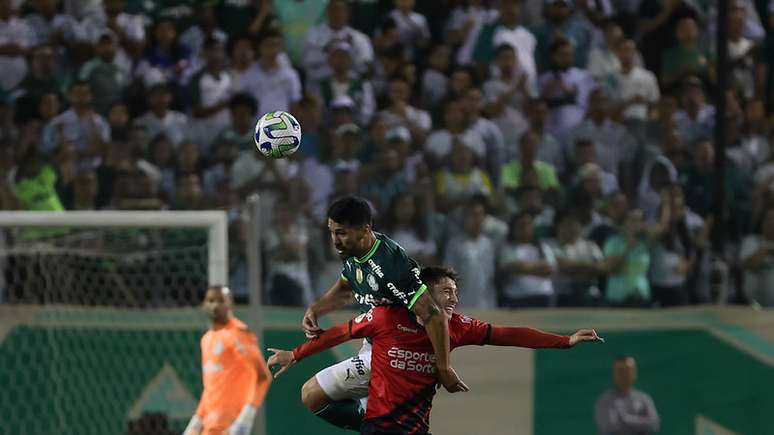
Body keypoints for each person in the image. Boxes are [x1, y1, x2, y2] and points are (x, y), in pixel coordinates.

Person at [267, 266, 604, 434]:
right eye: (446, 292)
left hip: (410, 424)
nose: (454, 299)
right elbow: (340, 332)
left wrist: (564, 340)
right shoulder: (388, 316)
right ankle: (366, 414)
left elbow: (508, 334)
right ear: (425, 294)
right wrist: (295, 355)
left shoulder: (458, 325)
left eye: (456, 292)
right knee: (310, 395)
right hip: (373, 369)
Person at [298, 196, 467, 430]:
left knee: (311, 393)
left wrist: (444, 368)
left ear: (365, 230)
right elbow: (346, 290)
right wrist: (316, 309)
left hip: (395, 353)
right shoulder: (355, 253)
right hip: (374, 346)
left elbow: (433, 314)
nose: (335, 240)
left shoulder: (390, 266)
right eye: (332, 232)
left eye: (341, 233)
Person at [183, 285, 272, 435]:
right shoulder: (207, 339)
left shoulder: (238, 333)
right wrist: (197, 420)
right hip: (209, 424)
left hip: (230, 425)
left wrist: (246, 418)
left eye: (221, 301)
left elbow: (262, 376)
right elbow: (211, 386)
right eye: (211, 300)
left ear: (231, 304)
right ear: (204, 304)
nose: (215, 305)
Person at [595, 355, 660, 435]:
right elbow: (610, 428)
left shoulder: (644, 398)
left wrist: (625, 418)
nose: (624, 374)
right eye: (621, 371)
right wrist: (640, 424)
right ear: (614, 373)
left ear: (634, 372)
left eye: (628, 370)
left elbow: (654, 425)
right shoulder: (605, 400)